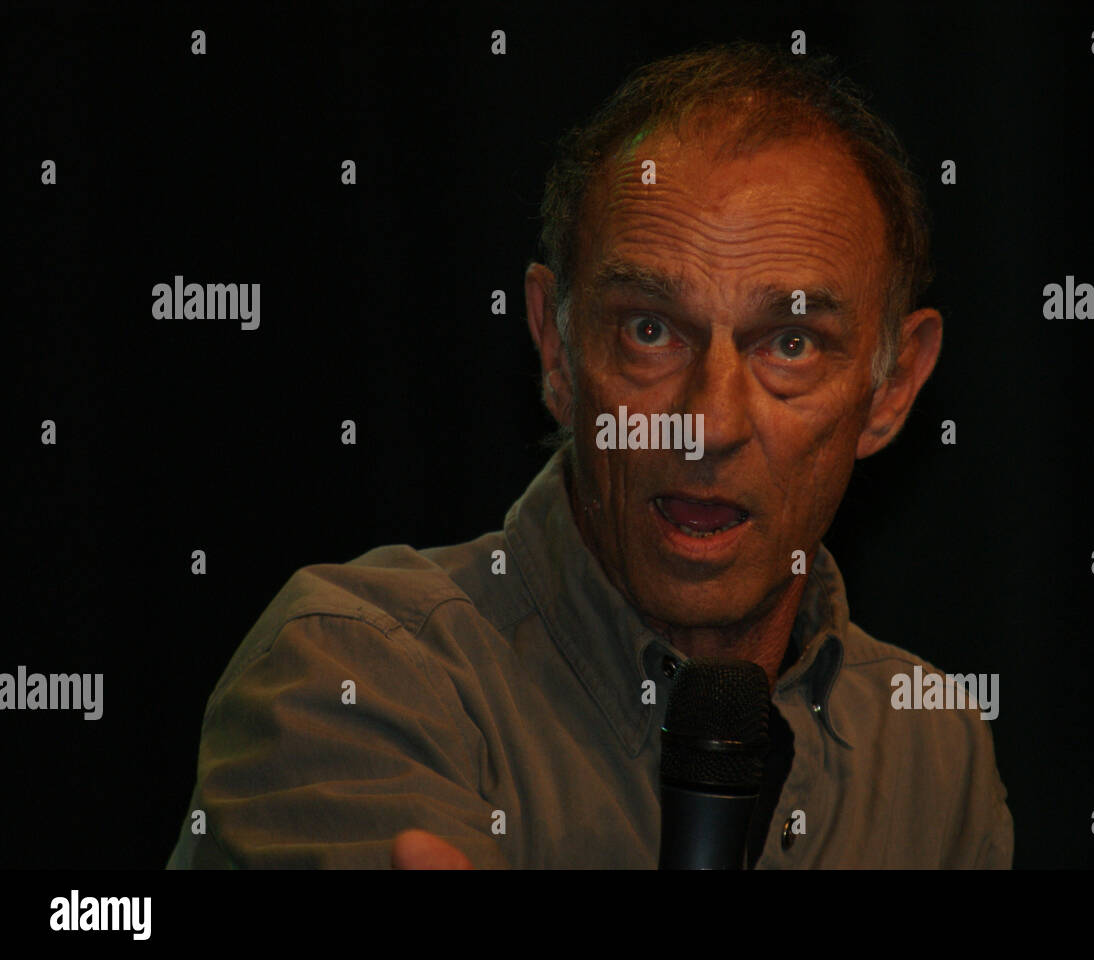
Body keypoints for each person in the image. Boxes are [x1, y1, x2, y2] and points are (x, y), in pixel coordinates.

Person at [167, 40, 1013, 869]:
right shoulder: (355, 670)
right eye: (650, 330)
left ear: (892, 388)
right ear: (557, 349)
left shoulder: (930, 748)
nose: (708, 424)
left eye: (790, 343)